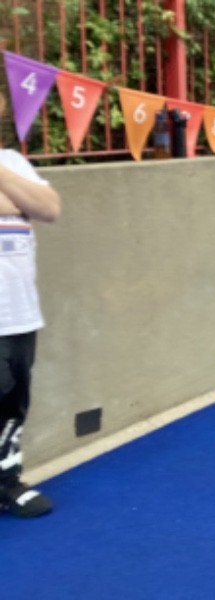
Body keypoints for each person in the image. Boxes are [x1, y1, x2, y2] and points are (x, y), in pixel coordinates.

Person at [0, 93, 61, 517]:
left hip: (19, 311)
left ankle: (6, 482)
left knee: (12, 405)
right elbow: (26, 205)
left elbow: (49, 208)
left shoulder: (13, 161)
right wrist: (19, 200)